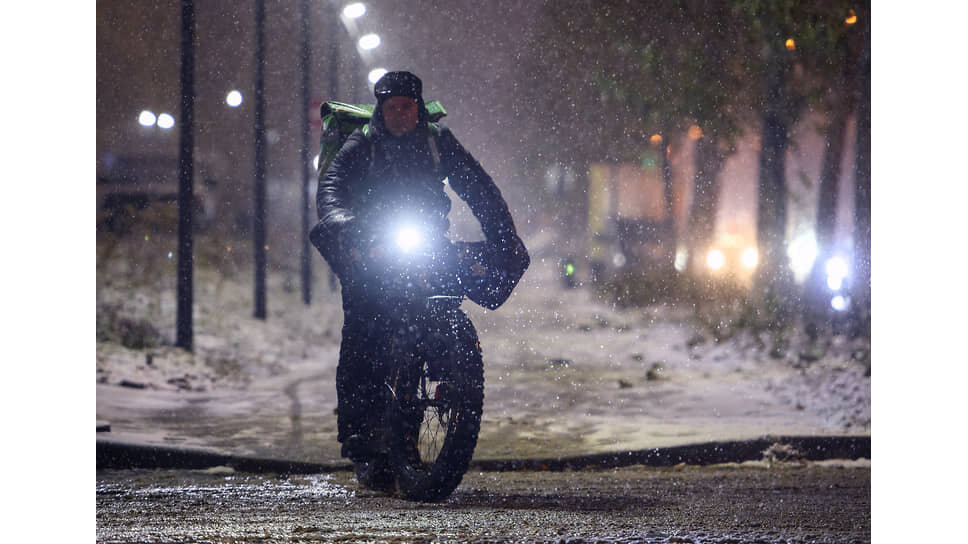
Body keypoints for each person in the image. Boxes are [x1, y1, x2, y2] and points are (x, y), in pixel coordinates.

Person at [311, 71, 524, 469]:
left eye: (407, 106)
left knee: (448, 291)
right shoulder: (363, 144)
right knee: (362, 327)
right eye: (391, 107)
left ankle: (452, 375)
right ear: (381, 109)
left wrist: (503, 235)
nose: (399, 114)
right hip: (374, 245)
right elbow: (332, 188)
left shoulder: (437, 142)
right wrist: (345, 224)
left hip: (427, 240)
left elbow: (479, 188)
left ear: (419, 108)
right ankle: (357, 428)